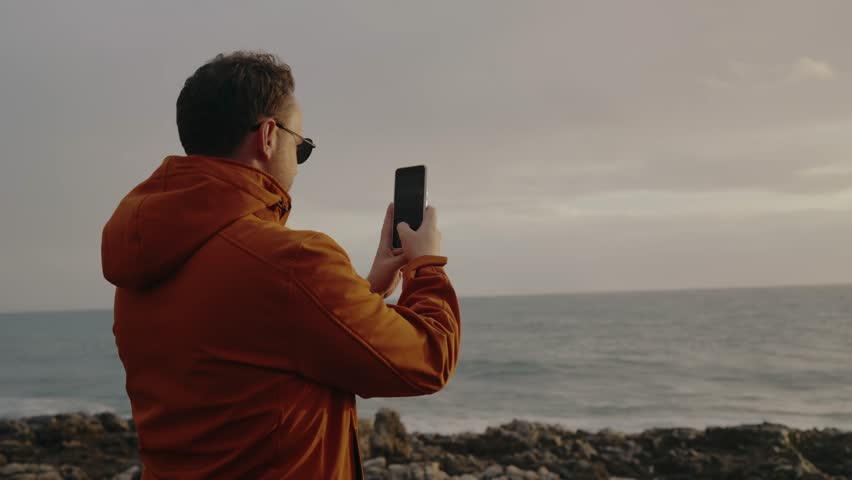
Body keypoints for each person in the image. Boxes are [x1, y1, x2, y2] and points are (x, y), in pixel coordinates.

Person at [101, 50, 461, 479]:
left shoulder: (143, 263)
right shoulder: (292, 263)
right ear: (269, 136)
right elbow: (427, 358)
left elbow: (253, 349)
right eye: (302, 146)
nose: (299, 158)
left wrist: (369, 288)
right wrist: (425, 267)